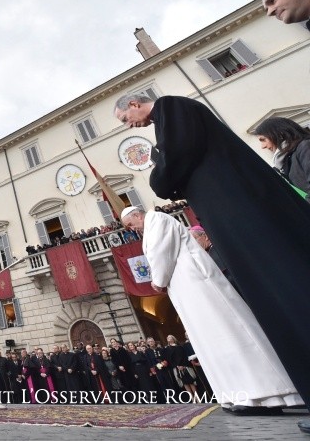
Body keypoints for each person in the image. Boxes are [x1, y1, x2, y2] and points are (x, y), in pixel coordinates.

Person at [114, 93, 310, 422]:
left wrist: (160, 173)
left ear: (134, 104)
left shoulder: (173, 108)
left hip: (236, 207)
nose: (128, 125)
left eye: (124, 119)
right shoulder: (167, 123)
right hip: (226, 207)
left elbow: (165, 177)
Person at [121, 206, 303, 413]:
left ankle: (265, 392)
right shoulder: (151, 225)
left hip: (195, 280)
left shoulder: (156, 219)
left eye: (130, 224)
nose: (131, 229)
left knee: (226, 329)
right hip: (184, 285)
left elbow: (160, 253)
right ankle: (241, 394)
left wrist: (157, 280)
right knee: (212, 337)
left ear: (137, 215)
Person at [254, 116, 310, 200]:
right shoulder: (287, 161)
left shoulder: (305, 147)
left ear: (279, 134)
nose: (263, 146)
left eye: (263, 140)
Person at [188, 225, 239, 294]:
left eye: (194, 240)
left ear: (205, 237)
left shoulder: (217, 254)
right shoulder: (209, 254)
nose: (193, 245)